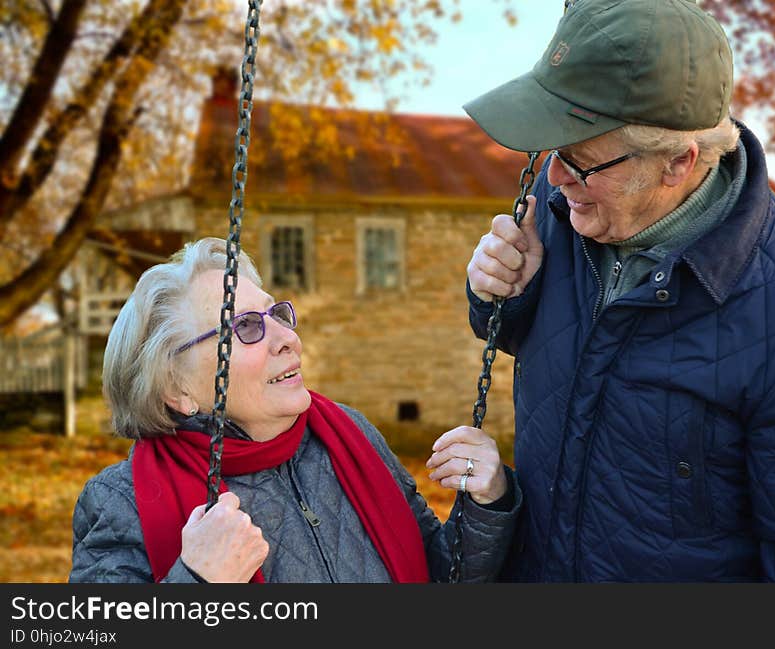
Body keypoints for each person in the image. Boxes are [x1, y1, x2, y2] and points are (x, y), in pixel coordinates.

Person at [463, 0, 775, 581]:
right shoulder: (568, 205)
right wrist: (501, 292)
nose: (555, 178)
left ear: (678, 163)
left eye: (580, 162)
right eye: (552, 152)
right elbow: (520, 336)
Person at [70, 237, 520, 583]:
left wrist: (485, 503)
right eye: (245, 327)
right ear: (176, 388)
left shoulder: (349, 436)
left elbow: (438, 575)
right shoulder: (121, 501)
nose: (286, 337)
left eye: (277, 315)